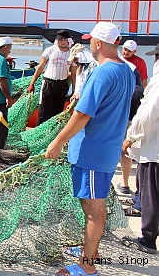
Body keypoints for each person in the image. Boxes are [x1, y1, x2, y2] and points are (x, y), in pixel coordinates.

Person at [45, 22, 135, 276]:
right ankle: (90, 251)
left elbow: (83, 113)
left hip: (93, 152)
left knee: (94, 210)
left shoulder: (103, 72)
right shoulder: (126, 70)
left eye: (90, 41)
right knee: (91, 206)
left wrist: (58, 141)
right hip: (103, 150)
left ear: (97, 43)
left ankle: (87, 266)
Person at [121, 44, 159, 254]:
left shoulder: (158, 84)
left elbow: (146, 115)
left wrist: (130, 137)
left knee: (150, 194)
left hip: (154, 149)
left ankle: (148, 239)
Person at [27, 30, 77, 125]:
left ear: (68, 41)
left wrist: (74, 91)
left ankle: (52, 136)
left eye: (65, 40)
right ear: (57, 40)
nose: (63, 42)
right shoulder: (50, 50)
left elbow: (74, 74)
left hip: (62, 84)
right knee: (44, 111)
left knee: (57, 112)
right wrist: (32, 83)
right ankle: (38, 134)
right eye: (61, 40)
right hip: (48, 83)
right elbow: (40, 67)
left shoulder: (72, 54)